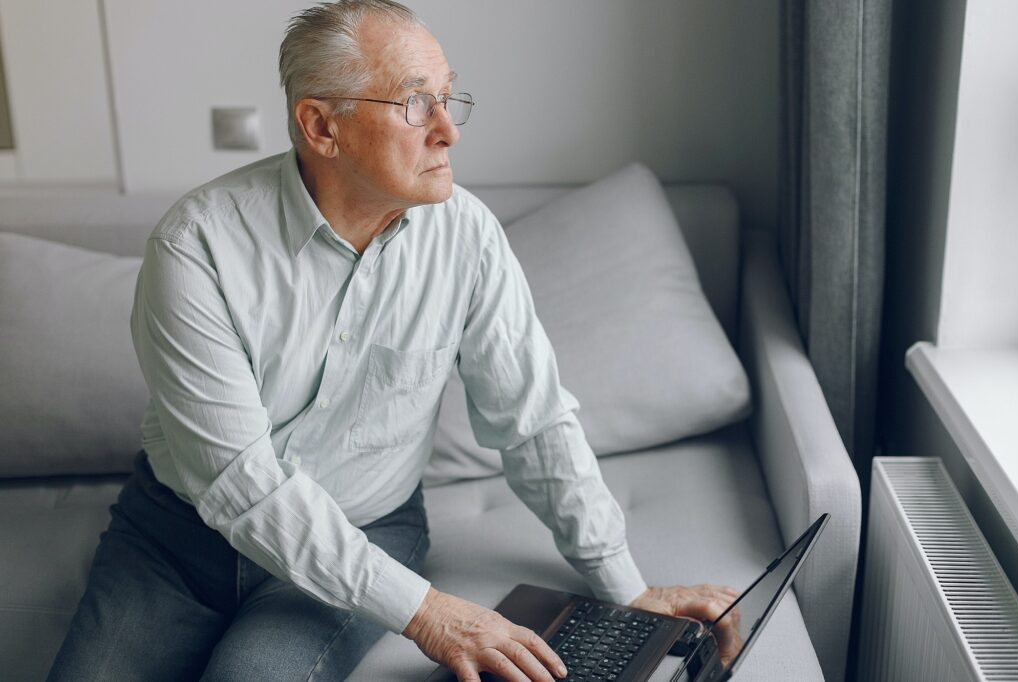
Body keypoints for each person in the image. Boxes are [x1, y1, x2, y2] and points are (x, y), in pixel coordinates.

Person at [47, 1, 739, 680]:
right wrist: (430, 612)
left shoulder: (467, 237)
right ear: (321, 127)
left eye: (448, 98)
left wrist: (626, 586)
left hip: (369, 528)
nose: (448, 131)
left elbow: (532, 423)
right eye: (415, 104)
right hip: (175, 539)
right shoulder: (195, 248)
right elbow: (242, 486)